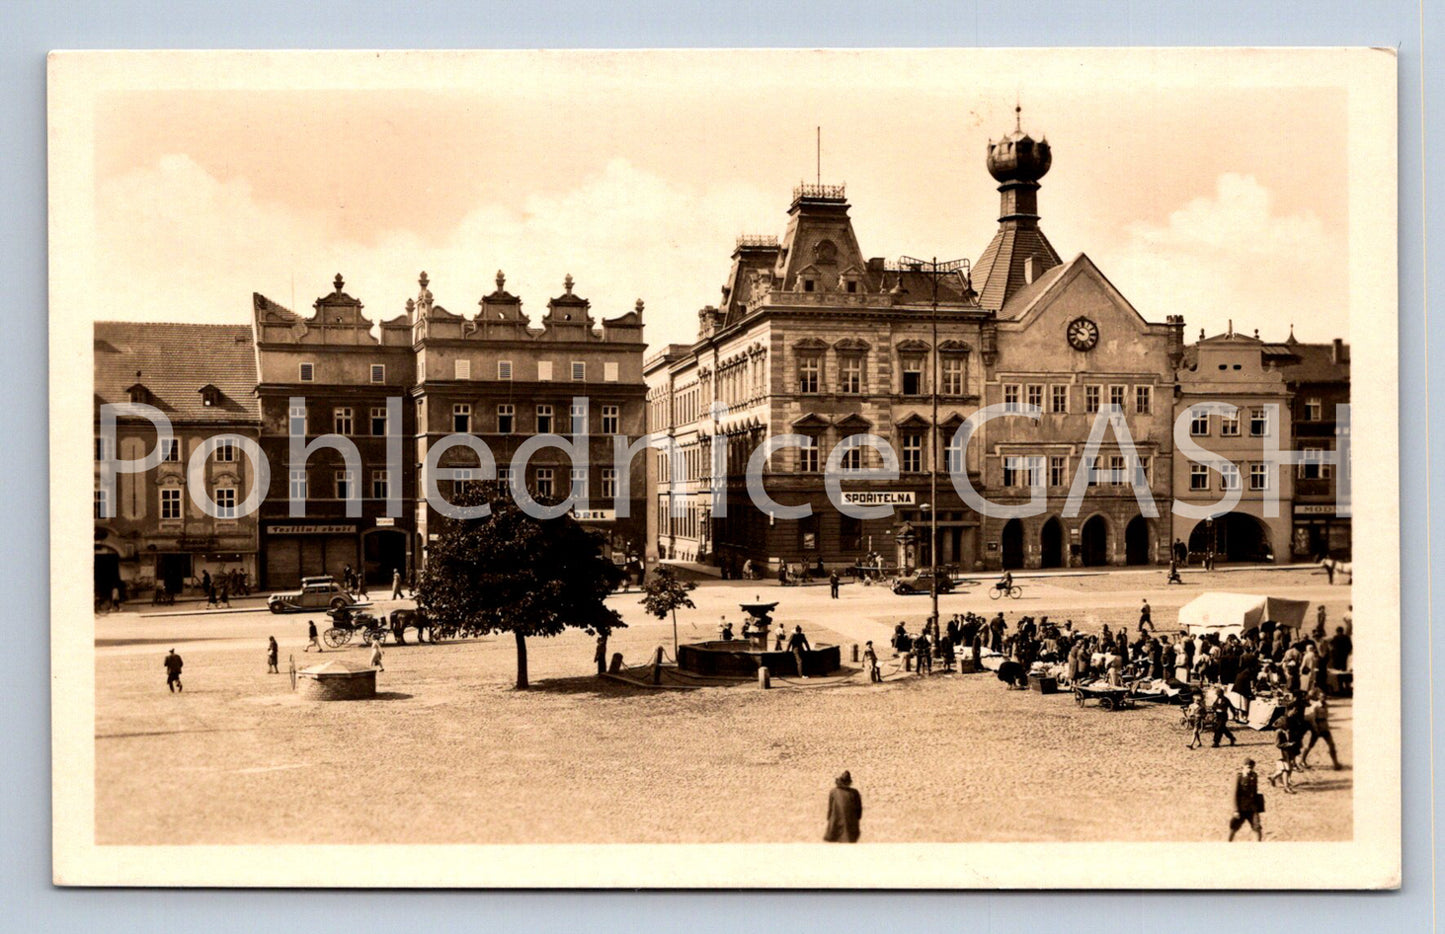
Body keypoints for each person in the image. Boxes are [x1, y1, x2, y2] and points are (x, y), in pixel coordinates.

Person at [1301, 688, 1341, 769]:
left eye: (1325, 697)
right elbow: (1312, 719)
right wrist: (1315, 729)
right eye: (1322, 697)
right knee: (1310, 745)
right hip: (1317, 728)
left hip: (1325, 727)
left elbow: (1326, 716)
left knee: (1331, 745)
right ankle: (1302, 760)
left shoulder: (1326, 705)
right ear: (1318, 697)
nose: (1324, 698)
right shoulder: (1315, 706)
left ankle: (1335, 763)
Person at [1229, 758, 1264, 841]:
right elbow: (1234, 794)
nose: (1250, 769)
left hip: (1252, 808)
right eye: (1248, 767)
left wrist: (1258, 807)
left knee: (1257, 828)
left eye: (1251, 767)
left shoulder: (1254, 776)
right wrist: (1236, 810)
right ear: (1243, 767)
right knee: (1234, 828)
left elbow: (1254, 792)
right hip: (1242, 808)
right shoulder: (1239, 778)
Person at [823, 771, 863, 843]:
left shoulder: (833, 792)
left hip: (836, 819)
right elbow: (859, 808)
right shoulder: (854, 792)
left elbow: (830, 807)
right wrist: (858, 817)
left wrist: (829, 817)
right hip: (850, 821)